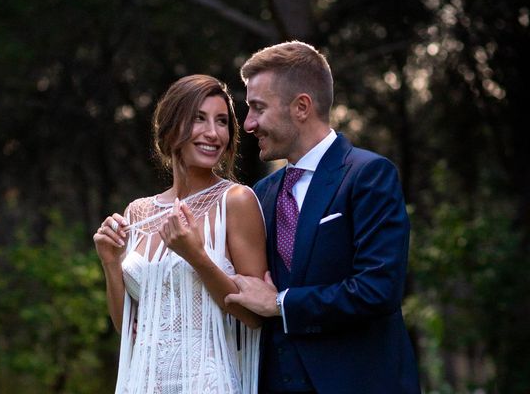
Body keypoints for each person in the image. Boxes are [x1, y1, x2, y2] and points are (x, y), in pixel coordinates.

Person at [224, 41, 421, 394]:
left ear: (301, 107)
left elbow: (378, 290)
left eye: (257, 108)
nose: (249, 124)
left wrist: (280, 303)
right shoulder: (262, 194)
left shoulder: (368, 175)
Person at [94, 74, 267, 394]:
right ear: (171, 127)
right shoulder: (138, 212)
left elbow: (253, 317)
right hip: (142, 383)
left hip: (207, 383)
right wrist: (110, 264)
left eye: (222, 122)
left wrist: (198, 257)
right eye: (199, 119)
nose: (213, 133)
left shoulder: (236, 202)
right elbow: (128, 327)